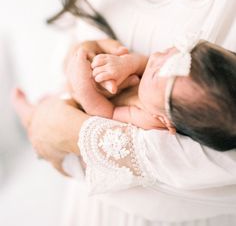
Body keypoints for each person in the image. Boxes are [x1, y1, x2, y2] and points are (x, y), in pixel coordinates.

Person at [12, 0, 236, 226]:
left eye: (161, 65)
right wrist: (90, 55)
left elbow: (105, 116)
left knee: (44, 115)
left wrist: (63, 128)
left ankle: (32, 116)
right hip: (95, 215)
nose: (160, 56)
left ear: (165, 123)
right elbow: (84, 40)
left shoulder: (146, 116)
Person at [68, 39, 236, 151]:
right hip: (105, 70)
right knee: (104, 45)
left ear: (164, 119)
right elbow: (145, 62)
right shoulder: (161, 87)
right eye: (166, 52)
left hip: (83, 97)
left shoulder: (149, 117)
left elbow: (108, 114)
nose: (154, 57)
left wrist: (83, 87)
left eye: (156, 73)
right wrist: (127, 64)